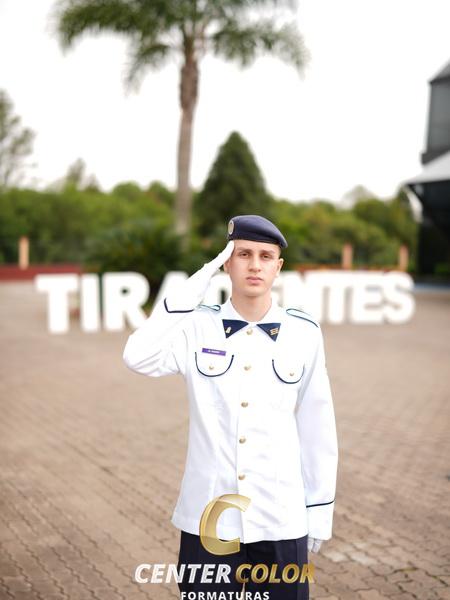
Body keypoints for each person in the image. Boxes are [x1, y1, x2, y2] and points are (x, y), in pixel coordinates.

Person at [123, 215, 338, 599]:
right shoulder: (195, 327)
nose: (255, 265)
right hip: (209, 519)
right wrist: (199, 281)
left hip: (279, 517)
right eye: (243, 254)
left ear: (278, 267)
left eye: (265, 256)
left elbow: (317, 426)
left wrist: (319, 510)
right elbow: (137, 356)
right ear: (226, 263)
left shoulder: (304, 333)